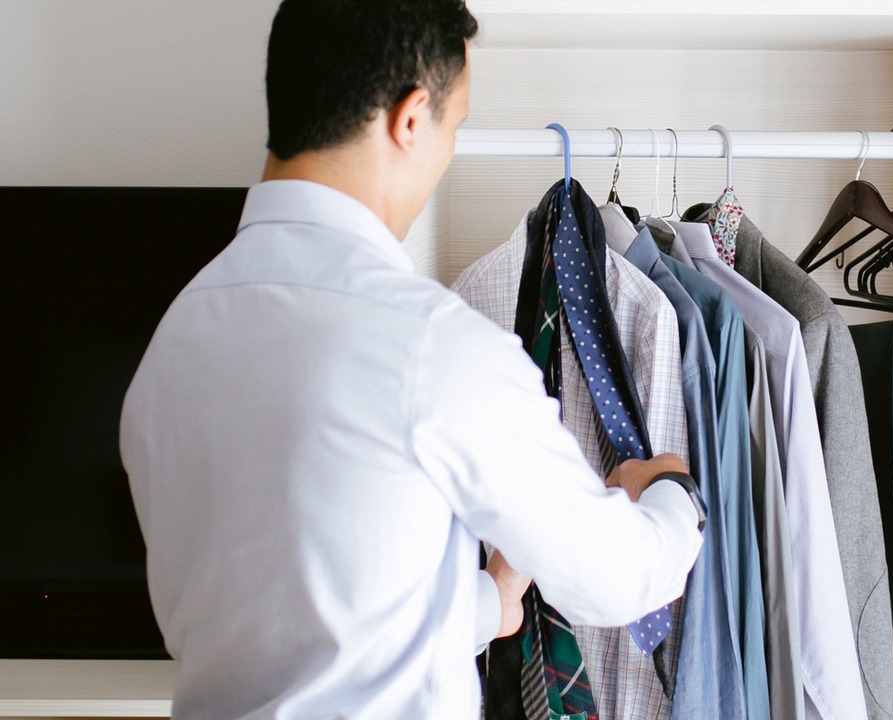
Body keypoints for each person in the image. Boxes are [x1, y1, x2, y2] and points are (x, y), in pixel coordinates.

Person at [118, 1, 705, 717]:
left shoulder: (175, 339)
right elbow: (618, 579)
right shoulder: (431, 347)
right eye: (453, 126)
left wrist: (491, 604)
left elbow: (306, 617)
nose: (447, 149)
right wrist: (676, 493)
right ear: (410, 117)